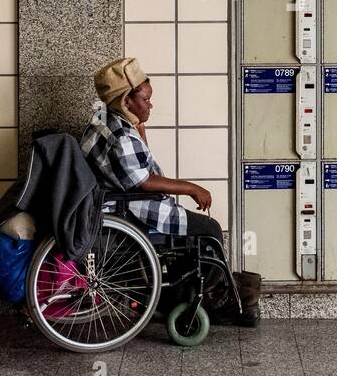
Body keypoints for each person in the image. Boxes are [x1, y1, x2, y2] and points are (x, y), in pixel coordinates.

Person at [81, 57, 259, 327]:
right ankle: (214, 301)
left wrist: (140, 125)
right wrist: (192, 188)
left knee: (198, 234)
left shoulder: (104, 120)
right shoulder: (122, 136)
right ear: (126, 101)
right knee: (209, 230)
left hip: (123, 203)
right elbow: (145, 181)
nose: (150, 105)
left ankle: (187, 295)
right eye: (145, 100)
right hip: (134, 210)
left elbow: (142, 165)